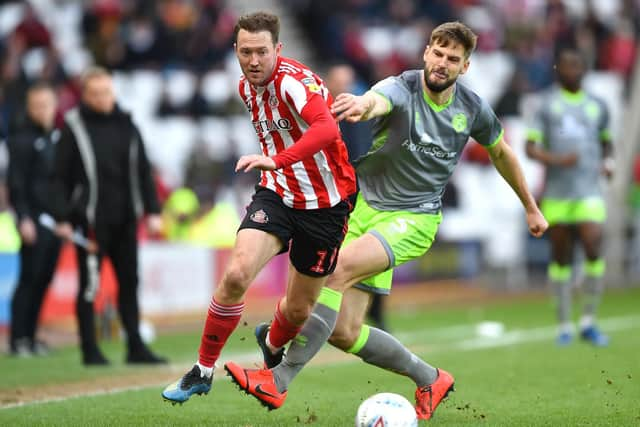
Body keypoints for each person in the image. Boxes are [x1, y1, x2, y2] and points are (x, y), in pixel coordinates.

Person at [224, 21, 548, 420]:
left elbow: (502, 154)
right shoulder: (402, 86)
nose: (442, 64)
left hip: (414, 219)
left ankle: (278, 378)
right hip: (361, 208)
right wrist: (360, 105)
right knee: (343, 332)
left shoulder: (472, 108)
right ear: (426, 52)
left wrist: (530, 206)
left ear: (465, 67)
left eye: (453, 59)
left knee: (335, 272)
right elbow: (377, 100)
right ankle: (430, 378)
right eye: (438, 53)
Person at [161, 11, 356, 404]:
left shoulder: (293, 83)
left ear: (278, 50)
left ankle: (272, 340)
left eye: (262, 52)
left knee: (299, 311)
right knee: (236, 274)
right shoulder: (245, 87)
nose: (253, 60)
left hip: (326, 204)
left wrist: (279, 159)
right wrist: (278, 168)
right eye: (246, 51)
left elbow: (326, 128)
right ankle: (202, 369)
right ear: (235, 50)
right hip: (278, 193)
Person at [50, 67, 167, 365]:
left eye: (107, 92)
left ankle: (135, 347)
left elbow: (143, 170)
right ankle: (90, 350)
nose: (103, 98)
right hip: (90, 223)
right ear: (85, 95)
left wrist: (153, 211)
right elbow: (58, 178)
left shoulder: (128, 125)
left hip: (127, 219)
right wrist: (62, 216)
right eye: (96, 93)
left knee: (130, 282)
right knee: (90, 285)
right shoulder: (73, 127)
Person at [525, 46, 613, 346]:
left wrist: (609, 163)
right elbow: (529, 147)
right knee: (560, 258)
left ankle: (588, 320)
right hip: (558, 194)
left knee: (592, 244)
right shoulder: (546, 105)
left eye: (577, 66)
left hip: (589, 190)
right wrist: (556, 160)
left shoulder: (597, 105)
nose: (572, 71)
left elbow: (606, 141)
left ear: (584, 69)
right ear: (557, 70)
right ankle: (564, 324)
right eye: (566, 66)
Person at [325, 63, 389, 331]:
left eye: (349, 82)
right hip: (332, 196)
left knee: (372, 256)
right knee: (334, 258)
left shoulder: (363, 114)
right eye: (341, 82)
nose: (346, 87)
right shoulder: (322, 114)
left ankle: (375, 314)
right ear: (330, 83)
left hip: (364, 195)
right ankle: (327, 315)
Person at [7, 83, 62, 356]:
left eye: (47, 104)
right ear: (29, 109)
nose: (43, 110)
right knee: (29, 278)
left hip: (54, 221)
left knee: (44, 278)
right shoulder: (20, 140)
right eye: (37, 106)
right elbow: (16, 184)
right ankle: (18, 338)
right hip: (33, 220)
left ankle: (31, 335)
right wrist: (23, 218)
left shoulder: (56, 138)